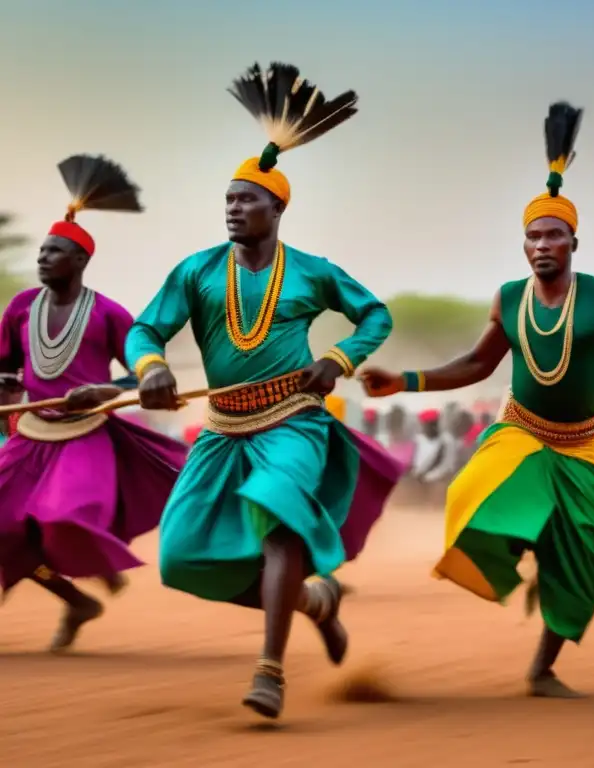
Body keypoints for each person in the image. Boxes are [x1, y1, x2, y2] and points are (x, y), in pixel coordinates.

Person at [360, 101, 594, 697]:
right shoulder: (508, 300)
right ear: (523, 244)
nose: (542, 244)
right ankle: (529, 545)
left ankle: (543, 667)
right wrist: (405, 381)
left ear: (574, 241)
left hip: (586, 443)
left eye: (553, 234)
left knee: (591, 551)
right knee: (473, 491)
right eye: (532, 236)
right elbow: (478, 364)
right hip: (521, 430)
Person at [125, 62, 398, 720]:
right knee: (182, 558)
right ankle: (313, 602)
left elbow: (376, 316)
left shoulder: (312, 271)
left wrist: (338, 358)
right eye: (227, 198)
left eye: (247, 199)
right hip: (221, 429)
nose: (233, 207)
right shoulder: (194, 271)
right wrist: (150, 367)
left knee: (277, 516)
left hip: (294, 422)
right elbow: (143, 329)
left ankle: (270, 672)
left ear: (277, 208)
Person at [0, 155, 187, 651]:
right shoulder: (19, 308)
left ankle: (99, 563)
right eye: (40, 251)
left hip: (88, 437)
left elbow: (141, 371)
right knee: (3, 529)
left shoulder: (109, 314)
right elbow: (6, 369)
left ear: (80, 261)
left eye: (53, 252)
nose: (42, 259)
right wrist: (5, 401)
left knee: (64, 514)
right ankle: (77, 601)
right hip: (30, 435)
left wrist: (110, 390)